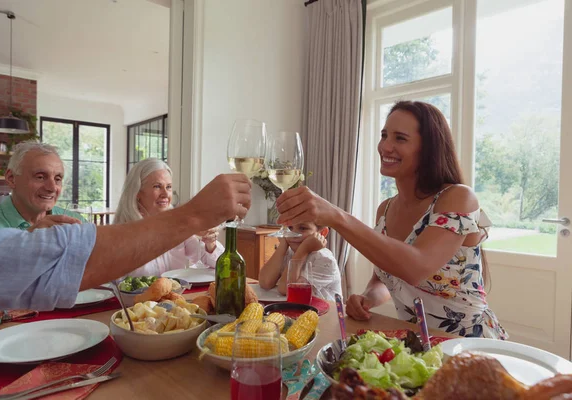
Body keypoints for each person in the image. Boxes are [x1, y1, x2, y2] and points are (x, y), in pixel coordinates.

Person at [275, 101, 507, 339]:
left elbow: (415, 268)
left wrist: (337, 217)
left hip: (468, 344)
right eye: (384, 135)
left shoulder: (458, 197)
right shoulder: (385, 210)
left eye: (400, 138)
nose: (385, 146)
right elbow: (385, 280)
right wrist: (367, 297)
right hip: (418, 342)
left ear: (428, 149)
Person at [0, 173, 251, 312]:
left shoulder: (71, 220)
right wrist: (194, 214)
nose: (52, 187)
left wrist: (208, 240)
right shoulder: (122, 230)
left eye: (58, 177)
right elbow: (82, 261)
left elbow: (211, 260)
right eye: (156, 186)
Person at [114, 158, 223, 276]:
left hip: (175, 293)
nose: (165, 194)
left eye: (169, 187)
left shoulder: (178, 223)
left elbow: (220, 265)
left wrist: (210, 243)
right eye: (157, 186)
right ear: (137, 192)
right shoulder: (122, 232)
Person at [0, 141, 81, 231]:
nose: (52, 188)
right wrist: (31, 237)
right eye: (40, 177)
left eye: (57, 179)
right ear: (11, 178)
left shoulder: (75, 222)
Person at [258, 222, 342, 301]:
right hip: (298, 309)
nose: (293, 234)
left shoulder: (324, 259)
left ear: (322, 233)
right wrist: (283, 244)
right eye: (290, 228)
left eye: (303, 228)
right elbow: (265, 282)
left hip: (325, 313)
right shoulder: (289, 251)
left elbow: (285, 289)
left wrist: (304, 249)